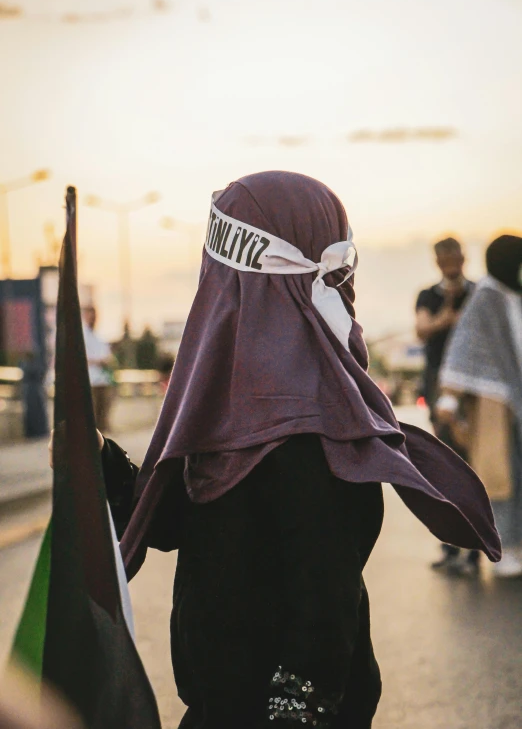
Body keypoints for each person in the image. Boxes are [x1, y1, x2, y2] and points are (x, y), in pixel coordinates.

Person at [97, 172, 499, 728]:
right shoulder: (227, 407)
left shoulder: (315, 425)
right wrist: (103, 466)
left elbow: (325, 598)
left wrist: (298, 707)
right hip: (216, 705)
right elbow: (192, 524)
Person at [438, 234, 522, 578]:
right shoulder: (487, 295)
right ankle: (503, 550)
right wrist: (449, 397)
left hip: (513, 399)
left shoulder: (512, 294)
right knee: (502, 477)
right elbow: (465, 346)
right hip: (493, 402)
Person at [415, 237, 477, 573]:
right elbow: (423, 328)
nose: (450, 264)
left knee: (478, 464)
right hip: (440, 387)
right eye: (444, 259)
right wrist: (448, 315)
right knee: (448, 466)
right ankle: (453, 547)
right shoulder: (429, 295)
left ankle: (478, 549)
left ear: (463, 257)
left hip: (474, 390)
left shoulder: (479, 292)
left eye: (453, 258)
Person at [81, 305, 114, 432]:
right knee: (91, 415)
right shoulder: (82, 336)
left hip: (103, 380)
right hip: (90, 381)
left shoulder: (99, 337)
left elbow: (108, 356)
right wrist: (98, 361)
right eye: (90, 315)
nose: (93, 319)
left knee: (103, 416)